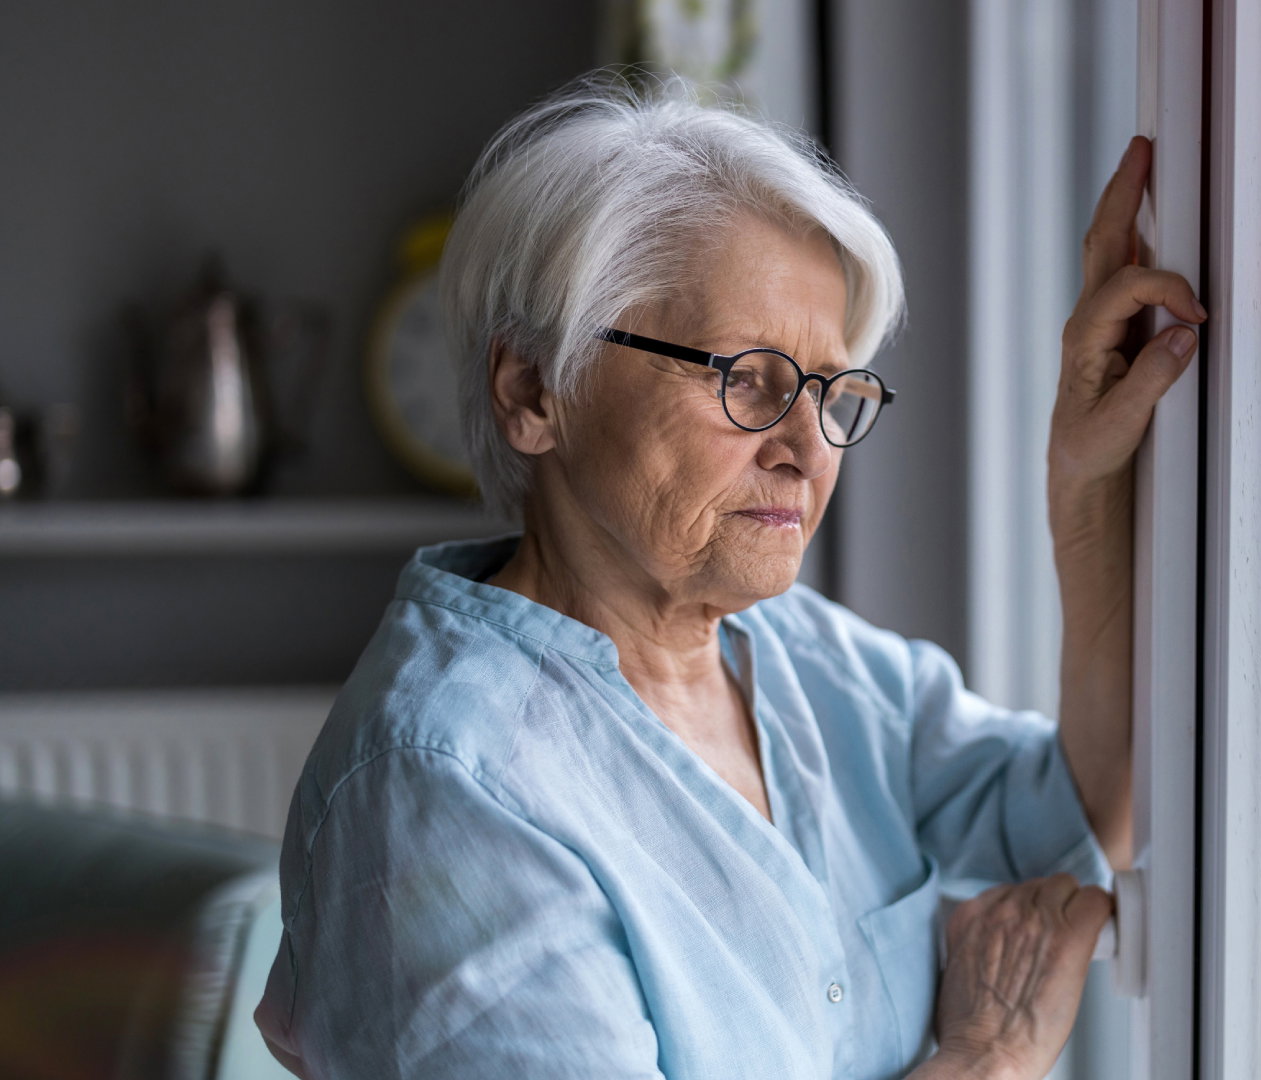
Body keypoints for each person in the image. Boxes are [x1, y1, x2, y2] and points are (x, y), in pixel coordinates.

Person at [251, 75, 1205, 1080]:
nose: (808, 444)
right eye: (746, 379)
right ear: (534, 390)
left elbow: (1082, 807)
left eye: (834, 390)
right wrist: (986, 1058)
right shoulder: (447, 787)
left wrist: (1086, 493)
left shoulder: (803, 658)